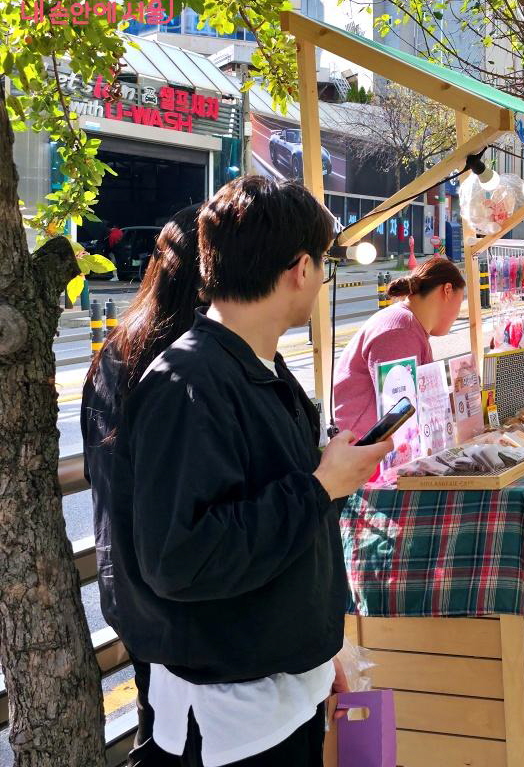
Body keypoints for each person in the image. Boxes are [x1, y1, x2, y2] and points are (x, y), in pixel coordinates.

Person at [116, 177, 392, 766]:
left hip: (279, 696)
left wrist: (329, 478)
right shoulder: (186, 383)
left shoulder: (257, 365)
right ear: (299, 269)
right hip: (228, 723)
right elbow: (181, 557)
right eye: (322, 265)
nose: (321, 280)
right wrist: (318, 487)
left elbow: (278, 509)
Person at [83, 204, 203, 767]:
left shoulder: (119, 349)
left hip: (126, 582)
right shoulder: (187, 359)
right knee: (182, 740)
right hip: (175, 595)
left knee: (161, 727)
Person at [333, 256, 465, 437]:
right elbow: (399, 416)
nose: (458, 314)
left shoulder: (408, 325)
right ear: (447, 290)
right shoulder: (401, 331)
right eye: (461, 301)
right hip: (367, 453)